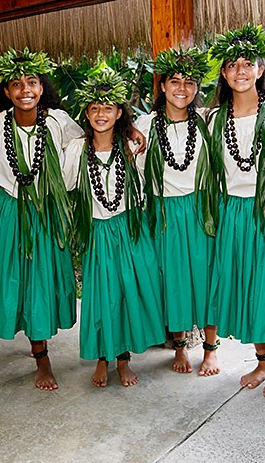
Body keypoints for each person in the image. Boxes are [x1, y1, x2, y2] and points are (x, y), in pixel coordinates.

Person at [0, 48, 83, 391]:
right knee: (13, 281)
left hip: (46, 212)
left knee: (40, 281)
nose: (25, 89)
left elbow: (88, 146)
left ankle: (42, 357)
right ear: (6, 91)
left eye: (32, 82)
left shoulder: (57, 122)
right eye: (16, 83)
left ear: (42, 86)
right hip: (8, 211)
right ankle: (31, 342)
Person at [207, 24, 265, 398]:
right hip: (233, 211)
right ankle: (260, 362)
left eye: (249, 64)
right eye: (232, 65)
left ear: (261, 70)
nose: (241, 71)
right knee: (248, 285)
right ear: (225, 74)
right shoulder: (215, 119)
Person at [65, 71, 165, 387]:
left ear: (119, 112)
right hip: (97, 231)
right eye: (94, 108)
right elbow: (67, 183)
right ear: (86, 113)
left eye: (108, 108)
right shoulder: (77, 149)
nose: (101, 114)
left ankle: (122, 361)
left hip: (127, 228)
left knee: (125, 294)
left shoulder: (131, 147)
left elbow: (144, 186)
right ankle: (102, 358)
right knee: (101, 295)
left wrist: (136, 134)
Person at [135, 47, 224, 377]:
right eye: (175, 81)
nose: (182, 88)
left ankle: (211, 349)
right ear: (162, 86)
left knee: (205, 276)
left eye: (189, 82)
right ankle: (180, 346)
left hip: (200, 208)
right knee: (171, 278)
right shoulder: (145, 125)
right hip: (163, 211)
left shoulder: (206, 121)